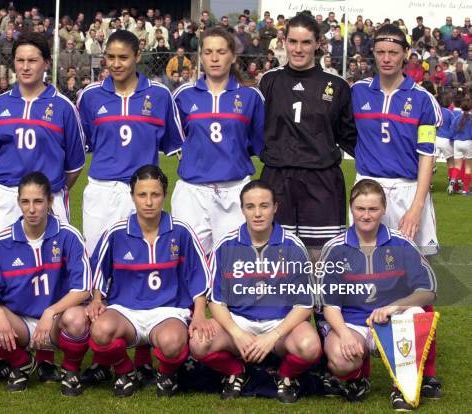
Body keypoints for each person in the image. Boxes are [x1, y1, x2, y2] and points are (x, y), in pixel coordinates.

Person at [189, 180, 321, 402]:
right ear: (242, 210)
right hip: (239, 321)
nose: (257, 213)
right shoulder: (226, 245)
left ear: (275, 207)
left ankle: (285, 376)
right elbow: (216, 301)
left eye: (264, 206)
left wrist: (272, 336)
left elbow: (304, 305)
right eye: (250, 207)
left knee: (310, 346)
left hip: (281, 325)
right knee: (198, 343)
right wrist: (237, 333)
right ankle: (236, 372)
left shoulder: (293, 246)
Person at [87, 165, 212, 397]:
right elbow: (99, 272)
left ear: (164, 195)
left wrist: (199, 312)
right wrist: (96, 299)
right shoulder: (116, 232)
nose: (148, 202)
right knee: (100, 330)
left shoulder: (181, 231)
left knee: (174, 342)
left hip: (168, 311)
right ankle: (126, 372)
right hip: (125, 310)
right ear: (132, 196)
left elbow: (199, 275)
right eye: (142, 195)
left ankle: (166, 375)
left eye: (155, 194)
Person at [320, 179, 437, 410]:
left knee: (414, 313)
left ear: (384, 209)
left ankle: (401, 388)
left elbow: (428, 291)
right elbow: (329, 306)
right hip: (353, 324)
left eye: (373, 209)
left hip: (390, 321)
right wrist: (343, 334)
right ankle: (356, 378)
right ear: (351, 209)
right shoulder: (334, 249)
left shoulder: (401, 244)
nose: (366, 215)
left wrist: (396, 306)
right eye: (360, 209)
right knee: (340, 359)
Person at [0, 172, 92, 393]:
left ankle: (70, 370)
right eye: (25, 202)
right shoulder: (1, 242)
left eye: (38, 201)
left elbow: (83, 289)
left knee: (76, 319)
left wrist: (50, 312)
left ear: (50, 202)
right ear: (18, 202)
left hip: (57, 323)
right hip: (19, 325)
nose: (32, 209)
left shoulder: (69, 236)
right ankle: (22, 363)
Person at [77, 30, 183, 255]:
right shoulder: (90, 96)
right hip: (101, 189)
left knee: (144, 257)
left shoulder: (160, 95)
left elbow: (174, 145)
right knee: (97, 256)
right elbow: (85, 141)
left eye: (123, 57)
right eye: (110, 57)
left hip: (143, 191)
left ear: (137, 56)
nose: (115, 64)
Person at [258, 13, 357, 253]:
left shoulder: (337, 87)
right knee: (276, 256)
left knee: (320, 256)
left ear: (317, 44)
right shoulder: (269, 82)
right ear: (284, 42)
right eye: (293, 41)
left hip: (321, 181)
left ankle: (319, 293)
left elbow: (350, 138)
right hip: (277, 179)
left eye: (305, 42)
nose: (298, 49)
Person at [0, 32, 85, 236]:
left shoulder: (63, 107)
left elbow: (74, 165)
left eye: (32, 60)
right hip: (6, 198)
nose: (25, 67)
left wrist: (45, 190)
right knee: (3, 262)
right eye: (20, 60)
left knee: (51, 264)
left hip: (48, 198)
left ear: (46, 63)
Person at [351, 24, 442, 256]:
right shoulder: (357, 92)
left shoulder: (423, 99)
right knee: (364, 266)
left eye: (393, 53)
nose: (386, 59)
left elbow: (426, 157)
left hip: (408, 191)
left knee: (419, 269)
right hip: (367, 191)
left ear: (405, 54)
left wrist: (416, 208)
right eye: (381, 52)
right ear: (373, 52)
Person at [172, 27, 264, 252]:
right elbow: (177, 139)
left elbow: (258, 144)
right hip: (192, 194)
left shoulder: (251, 96)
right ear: (201, 56)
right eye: (208, 52)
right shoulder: (183, 95)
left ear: (233, 56)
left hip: (235, 192)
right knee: (189, 267)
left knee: (233, 267)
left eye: (221, 52)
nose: (214, 58)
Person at [435, 95, 456, 194]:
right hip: (446, 140)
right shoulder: (450, 113)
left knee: (431, 163)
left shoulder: (437, 111)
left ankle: (428, 184)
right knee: (451, 162)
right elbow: (453, 126)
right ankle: (451, 185)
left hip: (436, 138)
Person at [450, 98, 472, 195]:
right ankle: (465, 190)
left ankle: (452, 183)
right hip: (468, 142)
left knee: (457, 166)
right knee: (468, 167)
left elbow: (452, 131)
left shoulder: (456, 118)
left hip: (457, 143)